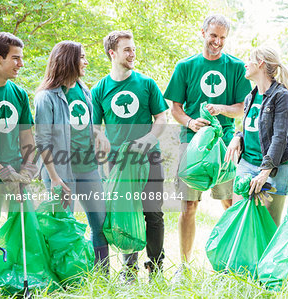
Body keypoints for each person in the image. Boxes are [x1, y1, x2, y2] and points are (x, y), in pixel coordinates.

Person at [164, 14, 251, 273]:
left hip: (225, 144)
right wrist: (191, 123)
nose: (218, 42)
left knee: (229, 203)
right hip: (191, 145)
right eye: (213, 35)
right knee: (188, 205)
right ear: (203, 33)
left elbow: (242, 109)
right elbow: (175, 109)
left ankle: (229, 262)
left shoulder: (235, 67)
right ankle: (184, 265)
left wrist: (221, 109)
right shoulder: (185, 66)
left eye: (223, 38)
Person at [91, 30, 168, 280]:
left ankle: (156, 268)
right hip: (118, 162)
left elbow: (161, 118)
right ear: (112, 53)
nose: (132, 53)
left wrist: (146, 140)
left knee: (153, 213)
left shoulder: (147, 83)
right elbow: (94, 126)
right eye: (127, 49)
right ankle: (129, 270)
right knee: (125, 212)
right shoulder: (99, 89)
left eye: (133, 48)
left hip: (149, 158)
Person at [34, 41, 109, 270]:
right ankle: (67, 277)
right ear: (69, 61)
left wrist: (98, 134)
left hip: (88, 167)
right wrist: (55, 179)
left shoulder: (83, 89)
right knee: (64, 226)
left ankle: (102, 274)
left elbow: (84, 124)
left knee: (100, 224)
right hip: (59, 172)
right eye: (82, 57)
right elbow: (42, 141)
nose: (86, 62)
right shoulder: (46, 97)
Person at [225, 46, 288, 226]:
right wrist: (238, 136)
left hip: (275, 168)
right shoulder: (251, 96)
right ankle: (242, 255)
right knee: (239, 220)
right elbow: (254, 126)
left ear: (261, 63)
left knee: (269, 224)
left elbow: (279, 137)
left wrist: (265, 172)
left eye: (249, 60)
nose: (245, 65)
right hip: (247, 163)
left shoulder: (281, 96)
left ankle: (267, 256)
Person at [0, 32, 36, 231]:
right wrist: (3, 172)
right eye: (15, 58)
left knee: (25, 236)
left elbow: (27, 139)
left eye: (22, 58)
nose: (21, 64)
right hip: (3, 175)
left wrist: (27, 170)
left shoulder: (19, 95)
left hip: (16, 180)